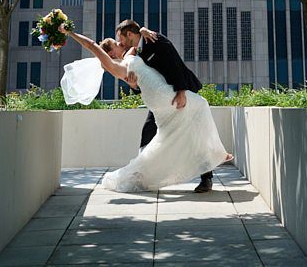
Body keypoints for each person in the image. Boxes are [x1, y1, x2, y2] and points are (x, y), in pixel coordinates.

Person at [67, 26, 232, 194]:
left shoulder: (129, 55)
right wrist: (69, 32)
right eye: (116, 43)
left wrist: (143, 29)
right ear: (111, 53)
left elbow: (134, 38)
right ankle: (216, 154)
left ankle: (210, 162)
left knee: (177, 130)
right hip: (163, 97)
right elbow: (92, 45)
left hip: (159, 96)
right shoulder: (114, 65)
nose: (120, 42)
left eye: (120, 39)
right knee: (199, 106)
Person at [117, 19, 217, 193]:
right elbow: (146, 79)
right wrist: (134, 87)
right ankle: (140, 174)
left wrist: (181, 91)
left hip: (181, 94)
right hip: (162, 101)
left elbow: (174, 63)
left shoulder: (155, 39)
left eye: (121, 38)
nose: (120, 43)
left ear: (130, 34)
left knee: (194, 136)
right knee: (148, 131)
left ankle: (206, 178)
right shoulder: (136, 51)